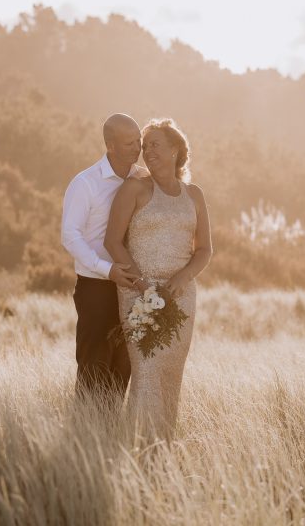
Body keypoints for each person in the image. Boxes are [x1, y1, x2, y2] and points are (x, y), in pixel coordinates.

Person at [104, 117, 213, 439]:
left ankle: (161, 449)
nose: (146, 151)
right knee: (147, 371)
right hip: (140, 294)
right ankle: (136, 445)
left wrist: (183, 278)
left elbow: (205, 250)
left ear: (176, 149)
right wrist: (142, 285)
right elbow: (112, 241)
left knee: (170, 374)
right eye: (144, 145)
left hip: (181, 296)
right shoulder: (135, 188)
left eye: (155, 145)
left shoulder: (194, 195)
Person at [61, 113, 149, 402]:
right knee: (93, 369)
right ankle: (85, 437)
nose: (137, 148)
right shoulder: (85, 183)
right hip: (96, 289)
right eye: (129, 143)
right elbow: (70, 236)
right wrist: (105, 269)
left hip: (131, 289)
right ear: (110, 145)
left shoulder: (143, 180)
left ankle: (109, 437)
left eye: (139, 140)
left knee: (123, 368)